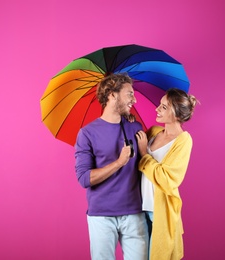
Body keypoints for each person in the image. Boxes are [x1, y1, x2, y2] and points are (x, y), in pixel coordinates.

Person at [74, 73, 148, 260]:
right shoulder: (87, 133)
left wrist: (145, 152)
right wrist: (119, 163)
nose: (135, 99)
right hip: (101, 216)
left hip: (134, 213)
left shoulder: (135, 127)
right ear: (112, 95)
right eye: (129, 94)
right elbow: (84, 179)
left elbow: (147, 167)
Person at [135, 88, 198, 260]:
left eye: (163, 107)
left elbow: (168, 179)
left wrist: (145, 155)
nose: (157, 109)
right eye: (160, 105)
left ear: (177, 114)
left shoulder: (183, 140)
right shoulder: (154, 132)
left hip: (160, 211)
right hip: (138, 208)